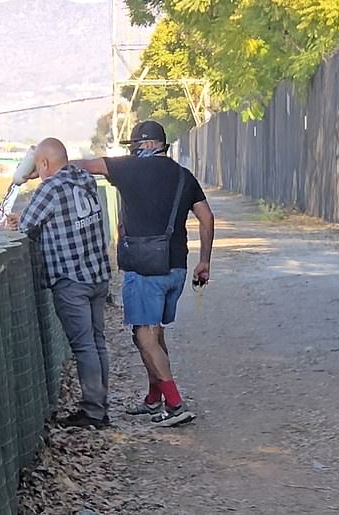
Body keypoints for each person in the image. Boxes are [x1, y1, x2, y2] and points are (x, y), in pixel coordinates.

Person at [70, 120, 215, 427]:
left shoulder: (129, 168)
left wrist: (46, 167)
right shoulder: (183, 176)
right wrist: (205, 261)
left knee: (143, 335)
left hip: (145, 268)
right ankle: (154, 398)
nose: (134, 151)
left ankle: (175, 404)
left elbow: (84, 166)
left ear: (148, 145)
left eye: (136, 145)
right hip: (175, 266)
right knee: (154, 332)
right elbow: (206, 217)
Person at [7, 137, 112, 429]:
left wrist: (15, 221)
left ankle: (93, 411)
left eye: (39, 166)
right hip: (97, 274)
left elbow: (26, 225)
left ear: (43, 164)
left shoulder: (50, 187)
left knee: (83, 346)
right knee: (97, 341)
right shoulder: (84, 180)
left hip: (71, 278)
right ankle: (102, 405)